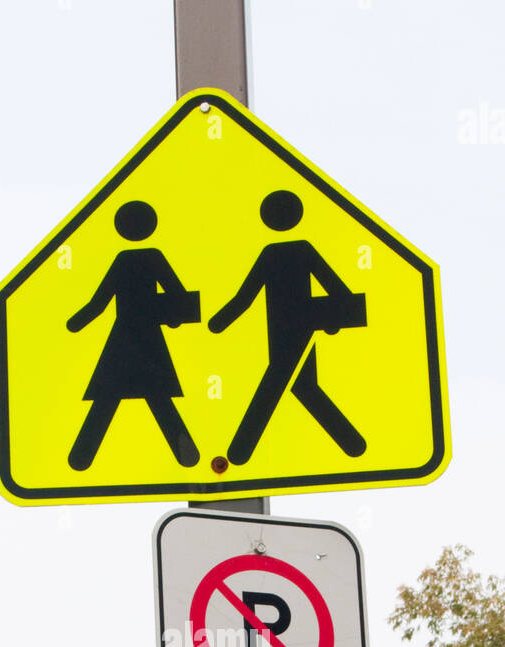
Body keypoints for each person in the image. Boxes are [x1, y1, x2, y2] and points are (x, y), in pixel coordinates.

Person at [208, 189, 367, 465]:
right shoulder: (299, 251)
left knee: (275, 384)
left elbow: (245, 298)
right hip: (297, 329)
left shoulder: (275, 253)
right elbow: (337, 290)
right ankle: (353, 444)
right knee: (303, 387)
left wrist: (218, 323)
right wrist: (217, 324)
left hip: (289, 331)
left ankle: (238, 453)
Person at [66, 200, 200, 470]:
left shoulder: (127, 260)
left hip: (126, 337)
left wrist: (76, 323)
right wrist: (173, 317)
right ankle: (187, 456)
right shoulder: (151, 257)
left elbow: (98, 303)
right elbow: (177, 295)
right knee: (151, 394)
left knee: (114, 395)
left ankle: (81, 457)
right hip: (145, 337)